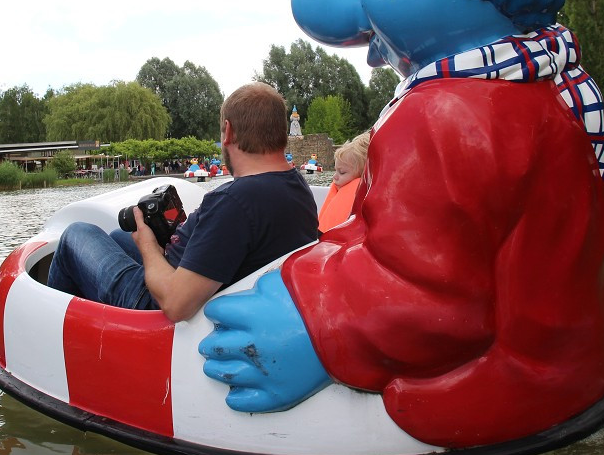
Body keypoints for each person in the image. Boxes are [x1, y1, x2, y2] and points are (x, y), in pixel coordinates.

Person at [46, 82, 319, 322]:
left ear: (228, 131)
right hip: (206, 279)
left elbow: (176, 305)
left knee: (76, 234)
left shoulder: (235, 202)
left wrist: (149, 248)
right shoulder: (295, 185)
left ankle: (58, 337)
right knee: (119, 236)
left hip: (153, 306)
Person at [317, 131, 370, 233]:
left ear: (362, 175)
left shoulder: (363, 197)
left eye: (342, 172)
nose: (335, 177)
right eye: (335, 170)